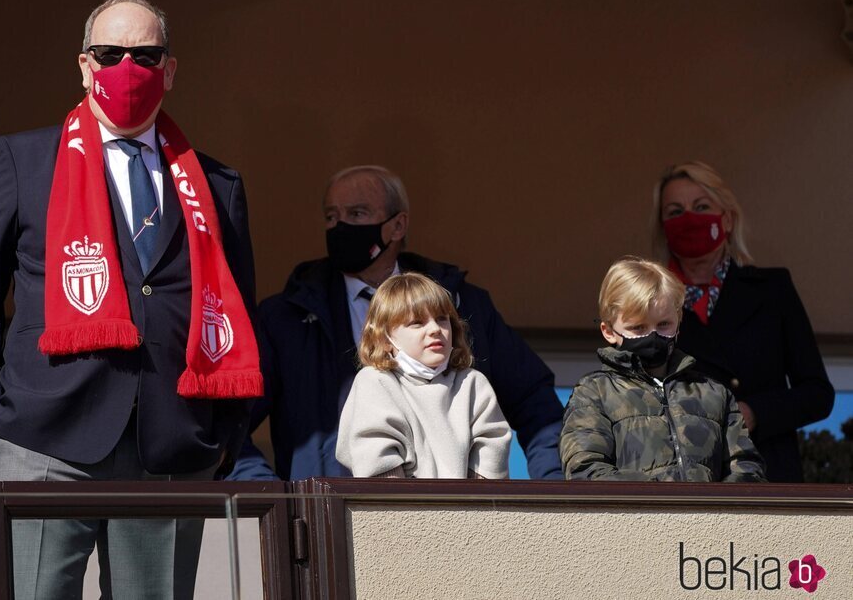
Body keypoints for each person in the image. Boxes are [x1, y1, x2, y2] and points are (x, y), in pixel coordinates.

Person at [0, 0, 260, 599]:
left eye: (145, 55)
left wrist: (225, 436)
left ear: (169, 70)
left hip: (171, 446)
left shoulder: (217, 183)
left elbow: (239, 312)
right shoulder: (23, 160)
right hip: (40, 443)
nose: (127, 69)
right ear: (84, 66)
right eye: (110, 54)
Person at [229, 165, 564, 481]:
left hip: (449, 519)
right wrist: (272, 495)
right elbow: (231, 425)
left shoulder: (462, 305)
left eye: (356, 214)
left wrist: (557, 491)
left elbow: (536, 405)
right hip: (323, 523)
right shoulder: (285, 318)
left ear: (398, 226)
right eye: (331, 217)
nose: (339, 227)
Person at [651, 161, 834, 482]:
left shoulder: (773, 289)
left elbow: (817, 394)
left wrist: (755, 412)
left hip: (767, 476)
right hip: (681, 483)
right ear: (663, 226)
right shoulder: (650, 304)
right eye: (675, 211)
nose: (689, 219)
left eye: (701, 206)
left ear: (727, 219)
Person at [560, 257, 766, 482]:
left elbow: (747, 472)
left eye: (663, 325)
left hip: (707, 517)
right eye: (638, 327)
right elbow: (585, 471)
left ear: (679, 320)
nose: (652, 335)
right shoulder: (595, 393)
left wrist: (710, 509)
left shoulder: (714, 393)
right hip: (633, 517)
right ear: (609, 331)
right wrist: (664, 497)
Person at [336, 273, 511, 478]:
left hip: (467, 508)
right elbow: (381, 476)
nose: (435, 329)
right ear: (384, 339)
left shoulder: (472, 384)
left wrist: (467, 506)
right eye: (417, 322)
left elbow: (489, 468)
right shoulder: (376, 382)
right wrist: (414, 509)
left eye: (442, 319)